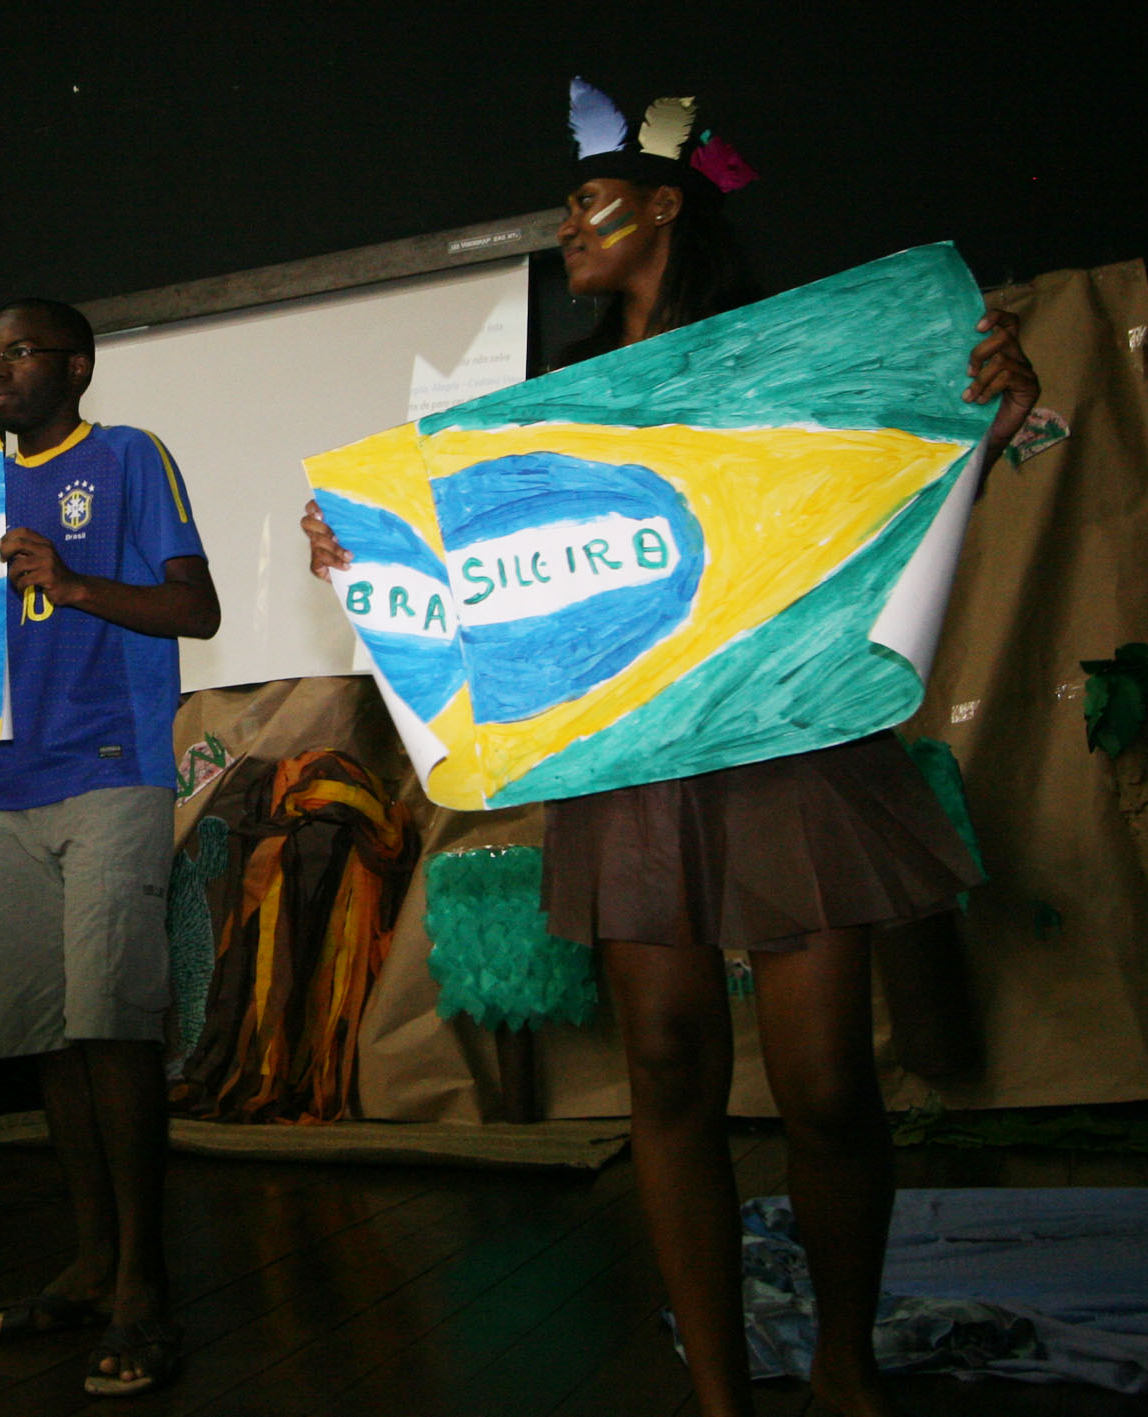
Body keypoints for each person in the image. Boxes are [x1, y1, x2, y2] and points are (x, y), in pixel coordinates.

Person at [301, 85, 1038, 1417]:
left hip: (792, 740)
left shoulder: (791, 357)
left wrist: (978, 414)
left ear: (661, 203)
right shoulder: (555, 408)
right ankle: (714, 1391)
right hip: (635, 762)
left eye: (584, 205)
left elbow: (901, 485)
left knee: (824, 1082)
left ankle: (842, 1364)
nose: (565, 234)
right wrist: (364, 551)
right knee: (669, 1066)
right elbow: (492, 588)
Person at [0, 297, 218, 1398]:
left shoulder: (129, 457)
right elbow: (0, 636)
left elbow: (198, 608)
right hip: (12, 778)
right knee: (49, 1034)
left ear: (75, 365)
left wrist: (72, 581)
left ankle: (145, 1283)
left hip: (112, 766)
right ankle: (89, 1261)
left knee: (114, 1025)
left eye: (19, 351)